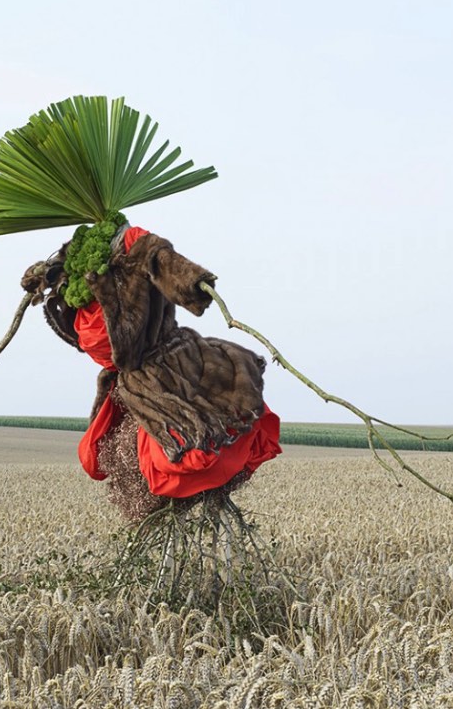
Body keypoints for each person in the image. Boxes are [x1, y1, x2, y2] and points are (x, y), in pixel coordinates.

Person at [22, 222, 281, 520]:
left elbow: (163, 260)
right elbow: (79, 323)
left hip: (164, 366)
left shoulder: (133, 246)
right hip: (127, 379)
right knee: (99, 453)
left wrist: (194, 281)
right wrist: (44, 280)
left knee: (184, 448)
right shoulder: (75, 269)